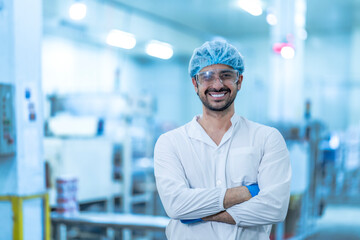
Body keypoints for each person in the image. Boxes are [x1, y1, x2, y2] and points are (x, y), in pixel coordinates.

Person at [154, 40, 291, 240]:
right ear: (195, 83)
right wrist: (246, 192)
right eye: (207, 76)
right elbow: (176, 205)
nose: (217, 84)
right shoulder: (171, 142)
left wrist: (197, 215)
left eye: (226, 75)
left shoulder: (267, 138)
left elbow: (275, 208)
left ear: (239, 81)